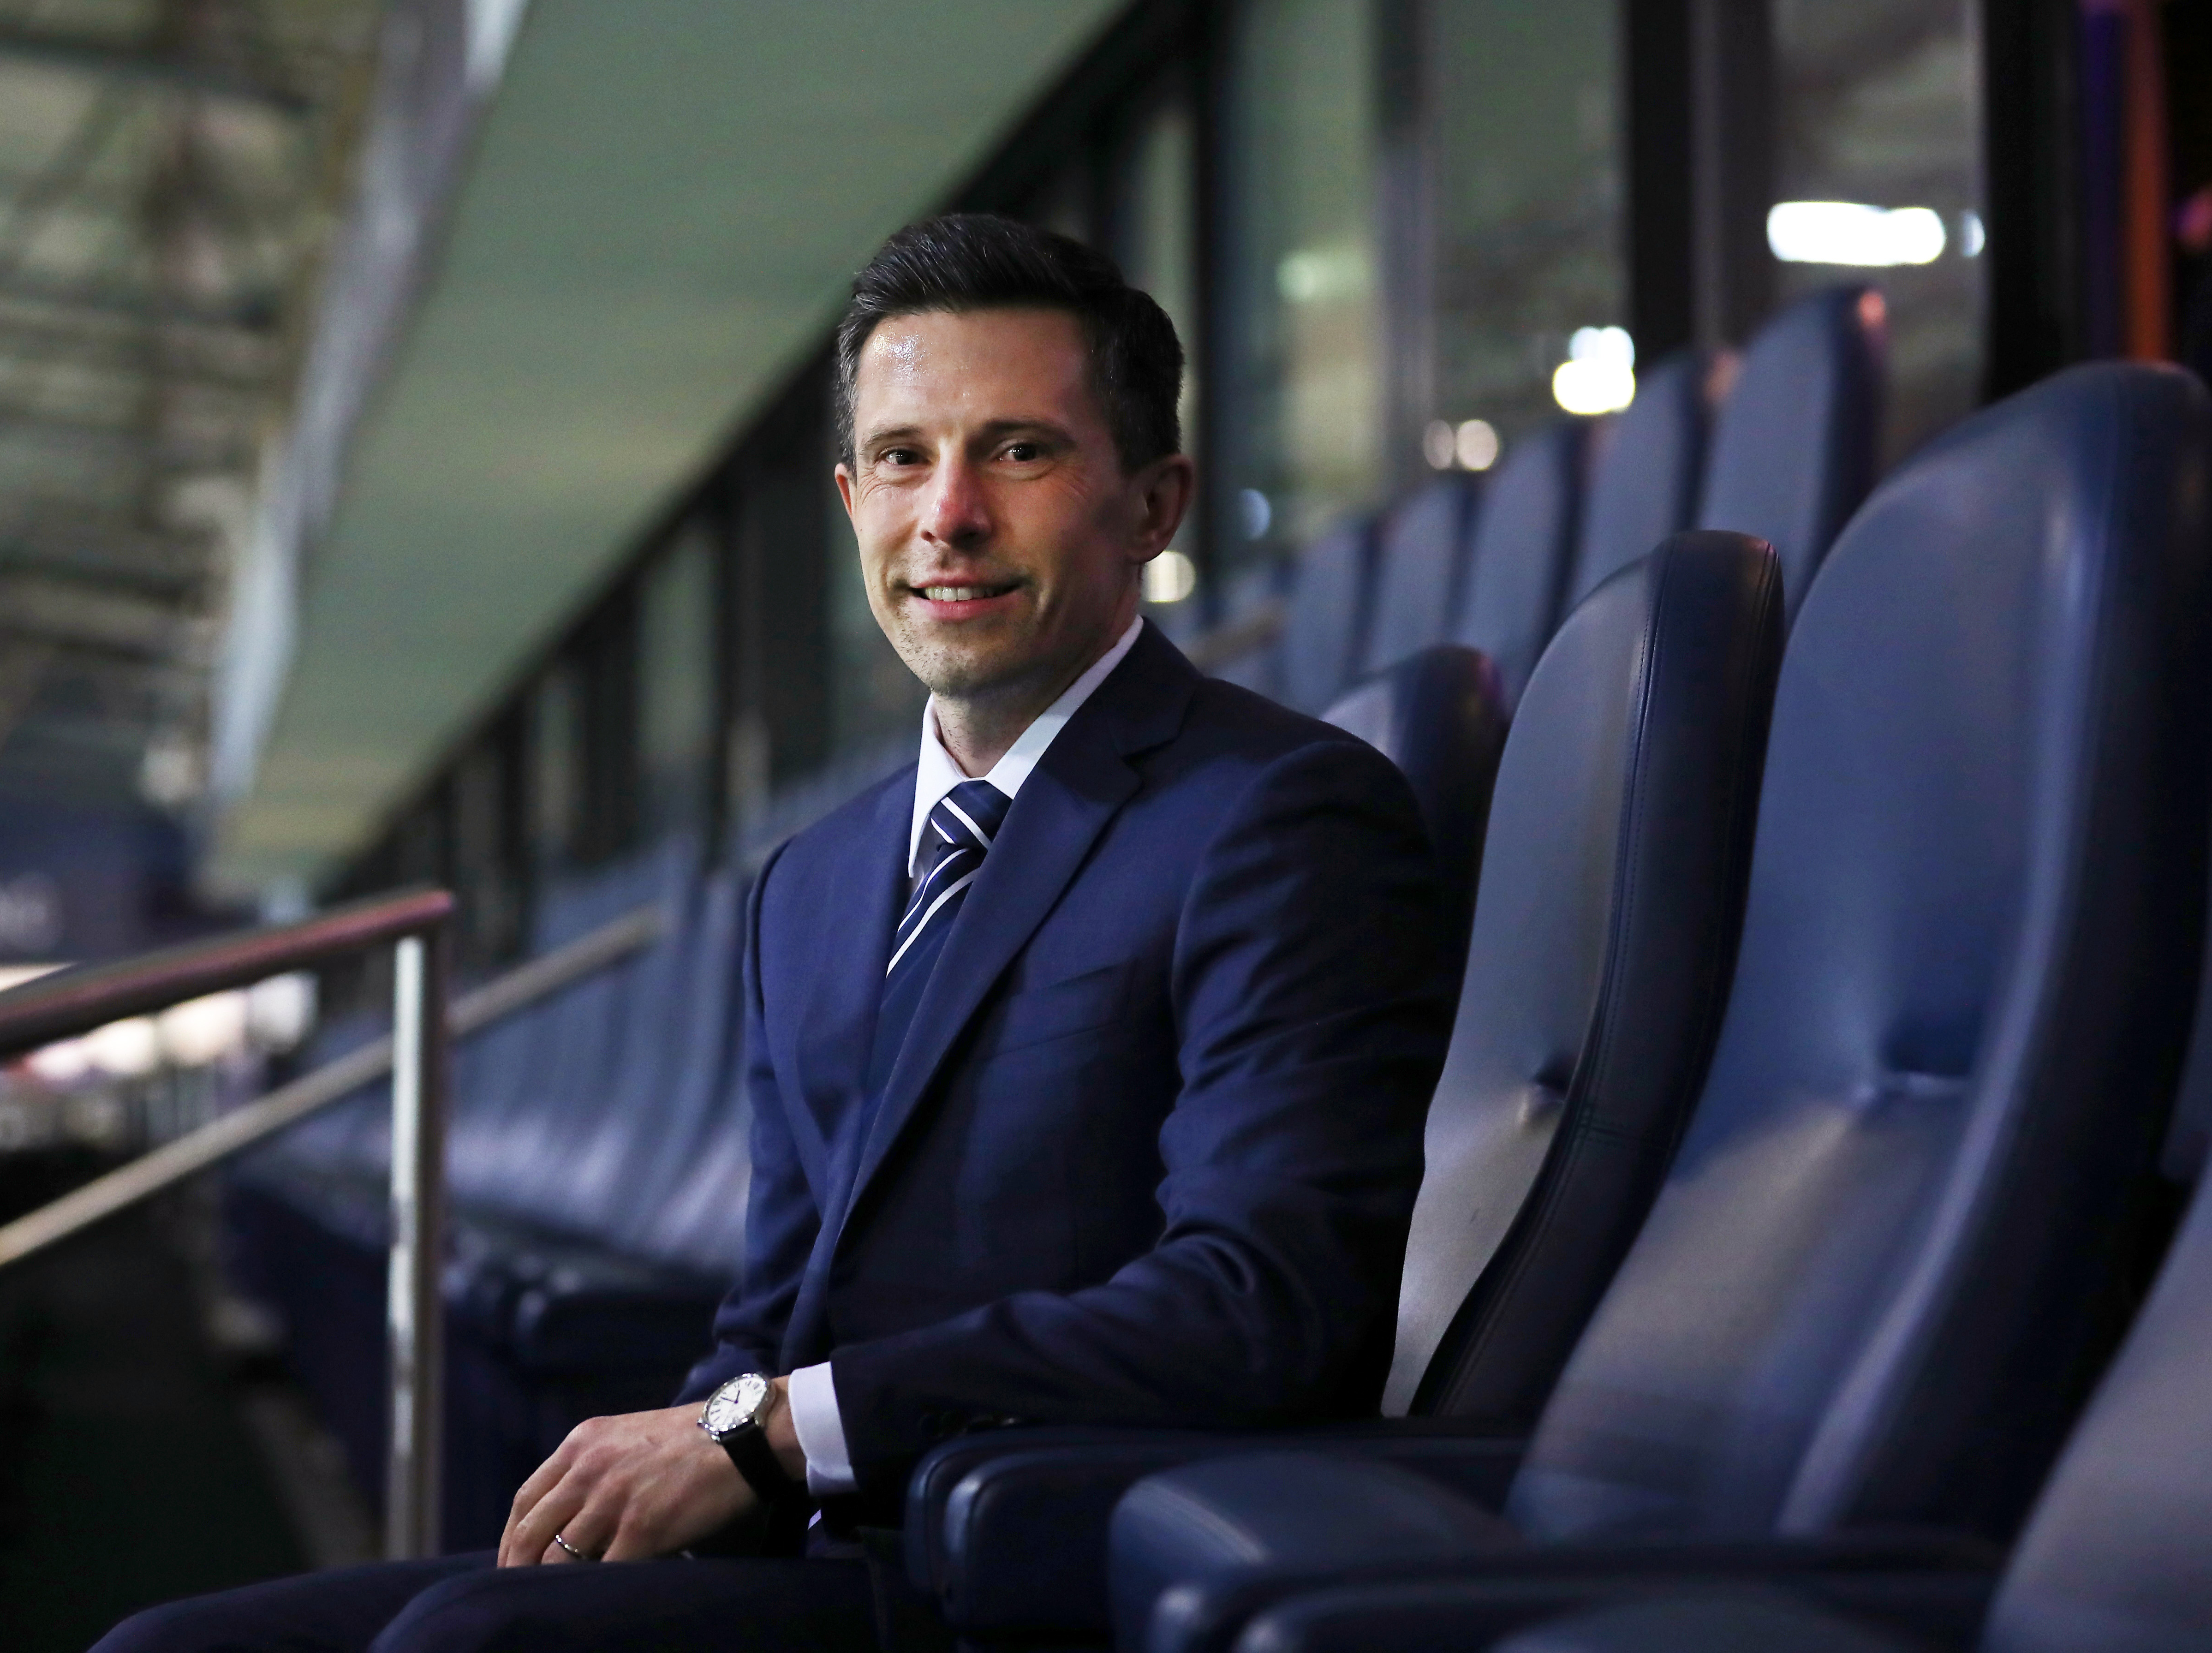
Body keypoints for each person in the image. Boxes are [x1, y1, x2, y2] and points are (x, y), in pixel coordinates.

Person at [96, 213, 1451, 1653]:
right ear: (852, 496)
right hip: (802, 1555)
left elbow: (1259, 1300)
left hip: (1025, 1564)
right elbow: (772, 1311)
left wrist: (772, 1435)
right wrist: (675, 1464)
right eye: (902, 457)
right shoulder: (812, 884)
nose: (949, 515)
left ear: (1154, 502)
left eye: (1021, 451)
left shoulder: (1277, 814)